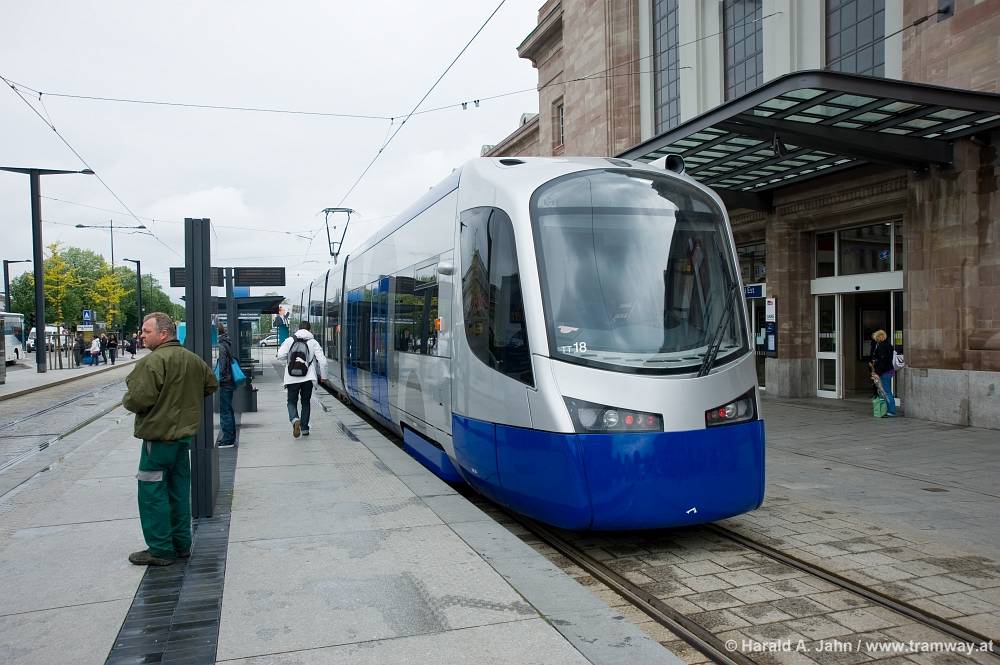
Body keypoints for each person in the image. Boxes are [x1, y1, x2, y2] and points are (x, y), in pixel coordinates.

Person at [122, 312, 218, 566]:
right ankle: (181, 544)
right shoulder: (192, 359)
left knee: (152, 493)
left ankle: (161, 549)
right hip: (182, 440)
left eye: (146, 331)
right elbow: (211, 385)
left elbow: (137, 400)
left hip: (158, 440)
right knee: (178, 491)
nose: (141, 335)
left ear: (163, 334)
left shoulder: (152, 362)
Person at [276, 320, 327, 438]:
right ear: (309, 329)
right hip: (308, 377)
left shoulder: (289, 340)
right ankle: (304, 429)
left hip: (291, 377)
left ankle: (295, 419)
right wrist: (324, 377)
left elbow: (280, 355)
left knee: (291, 401)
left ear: (298, 329)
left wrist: (290, 360)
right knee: (305, 402)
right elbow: (323, 361)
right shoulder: (313, 342)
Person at [216, 324, 237, 447]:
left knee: (225, 411)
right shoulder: (226, 343)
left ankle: (228, 439)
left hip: (225, 381)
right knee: (228, 409)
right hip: (229, 381)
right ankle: (230, 437)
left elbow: (222, 367)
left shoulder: (220, 346)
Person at [869, 329, 896, 418]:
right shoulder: (889, 345)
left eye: (876, 338)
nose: (875, 340)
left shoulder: (882, 347)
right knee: (885, 391)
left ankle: (891, 411)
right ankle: (886, 410)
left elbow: (882, 362)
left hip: (884, 372)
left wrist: (877, 373)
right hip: (889, 370)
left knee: (886, 392)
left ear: (879, 337)